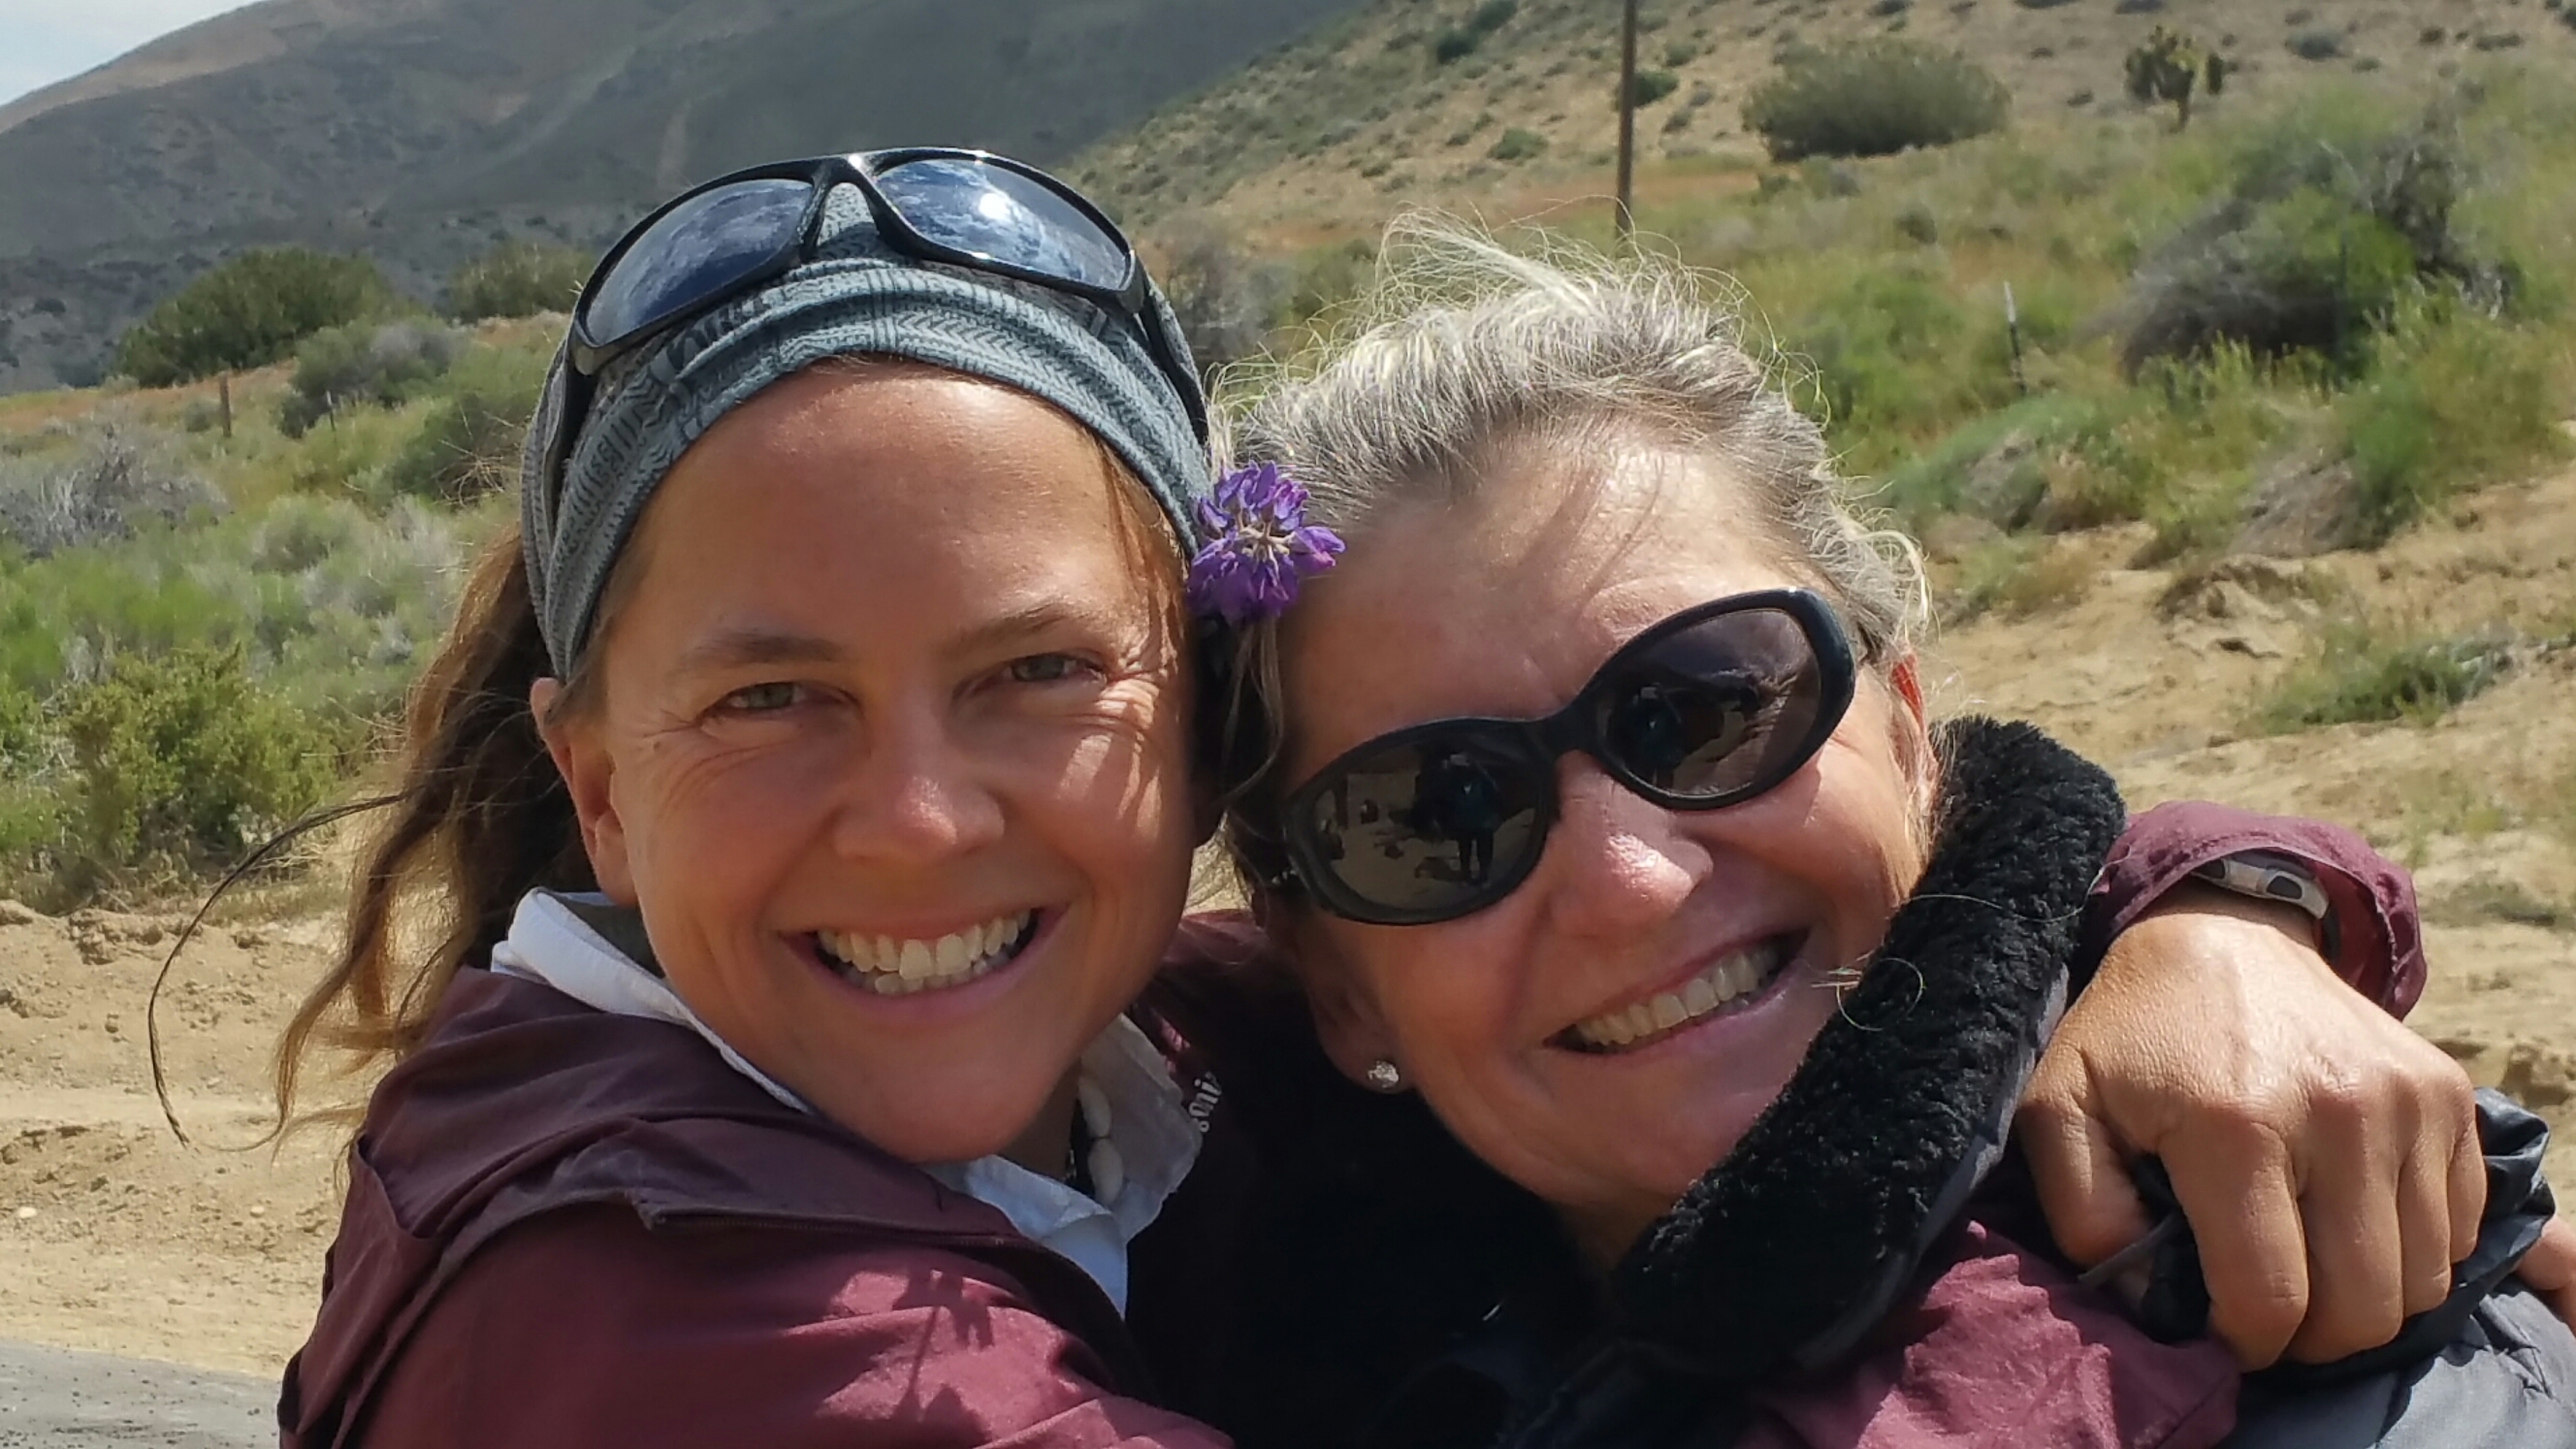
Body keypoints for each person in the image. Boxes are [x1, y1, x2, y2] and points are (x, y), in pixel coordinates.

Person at [274, 157, 2514, 1448]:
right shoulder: (664, 1311)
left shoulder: (1137, 1065)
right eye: (1434, 812)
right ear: (596, 787)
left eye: (1708, 706)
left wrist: (2211, 912)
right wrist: (2134, 1284)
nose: (926, 823)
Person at [1180, 216, 2576, 1447]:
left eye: (1708, 706)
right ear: (1336, 981)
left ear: (1909, 732)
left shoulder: (2323, 1329)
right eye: (1436, 813)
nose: (1628, 880)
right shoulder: (1274, 1343)